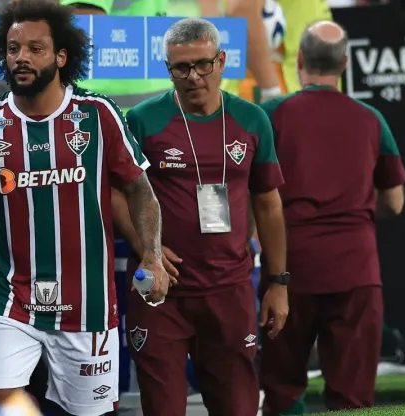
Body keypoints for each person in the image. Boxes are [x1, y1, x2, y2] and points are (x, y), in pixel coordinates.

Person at [0, 1, 166, 415]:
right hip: (9, 297)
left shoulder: (97, 116)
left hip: (87, 304)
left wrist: (153, 253)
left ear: (61, 56)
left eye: (35, 49)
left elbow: (139, 190)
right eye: (12, 48)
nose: (21, 57)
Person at [111, 17, 289, 416]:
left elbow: (269, 203)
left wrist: (278, 282)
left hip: (229, 288)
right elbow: (115, 194)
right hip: (161, 292)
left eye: (203, 64)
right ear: (168, 70)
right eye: (181, 68)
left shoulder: (252, 119)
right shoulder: (142, 120)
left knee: (238, 407)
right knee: (163, 408)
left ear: (221, 61)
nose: (193, 76)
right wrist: (149, 249)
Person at [257, 21, 405, 414]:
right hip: (356, 271)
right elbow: (394, 202)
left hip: (288, 272)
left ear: (300, 59)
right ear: (345, 63)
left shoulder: (270, 114)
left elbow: (249, 194)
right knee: (353, 398)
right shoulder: (372, 119)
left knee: (282, 390)